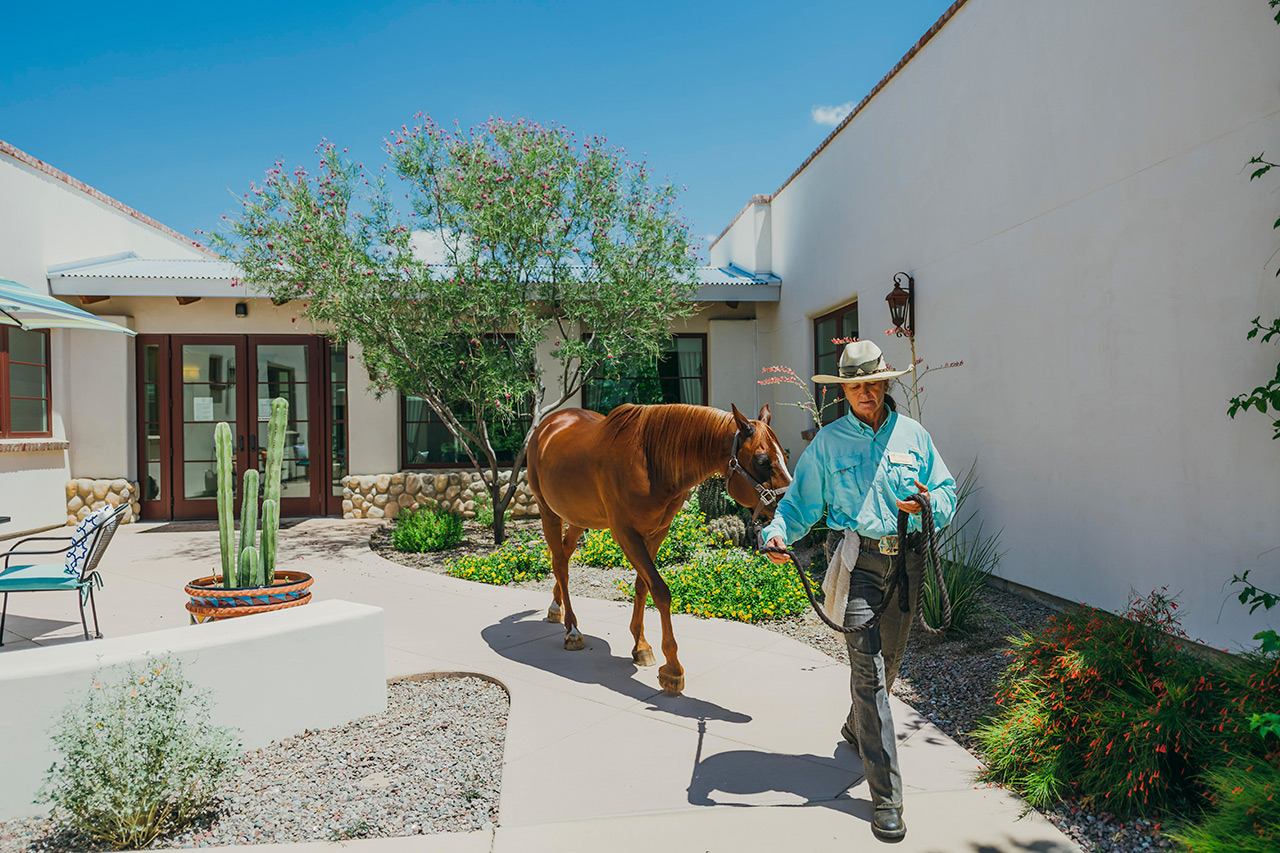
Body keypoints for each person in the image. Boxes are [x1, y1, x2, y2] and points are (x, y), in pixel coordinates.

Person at [761, 339, 955, 842]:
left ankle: (856, 727)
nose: (865, 393)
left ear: (885, 383)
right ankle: (887, 799)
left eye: (872, 383)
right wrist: (778, 532)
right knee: (868, 676)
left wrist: (928, 502)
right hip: (861, 564)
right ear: (843, 391)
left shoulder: (914, 435)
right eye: (855, 386)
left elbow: (947, 490)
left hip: (907, 564)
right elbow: (798, 504)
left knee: (885, 671)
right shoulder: (827, 443)